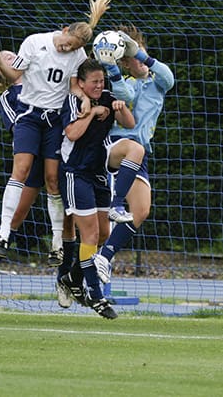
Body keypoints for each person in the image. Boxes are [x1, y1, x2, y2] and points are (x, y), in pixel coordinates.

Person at [0, 0, 110, 295]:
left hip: (54, 137)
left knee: (63, 201)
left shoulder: (73, 57)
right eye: (6, 58)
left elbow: (75, 85)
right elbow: (17, 113)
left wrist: (85, 98)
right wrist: (1, 62)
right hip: (32, 144)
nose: (67, 49)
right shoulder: (12, 94)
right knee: (18, 210)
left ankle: (62, 275)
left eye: (72, 47)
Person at [0, 51, 76, 306]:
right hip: (31, 164)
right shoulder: (9, 97)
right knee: (15, 217)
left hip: (54, 158)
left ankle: (63, 281)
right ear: (2, 71)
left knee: (68, 224)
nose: (16, 57)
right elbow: (20, 127)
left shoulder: (41, 80)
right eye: (8, 58)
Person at [90, 24, 175, 284]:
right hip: (117, 148)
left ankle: (104, 257)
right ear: (126, 65)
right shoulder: (123, 83)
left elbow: (169, 78)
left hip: (139, 155)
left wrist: (140, 54)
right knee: (101, 221)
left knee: (141, 212)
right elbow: (125, 95)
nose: (141, 63)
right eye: (133, 60)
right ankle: (115, 206)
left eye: (142, 56)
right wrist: (113, 68)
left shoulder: (157, 83)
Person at [56, 59, 134, 319]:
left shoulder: (108, 96)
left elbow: (130, 123)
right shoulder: (73, 102)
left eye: (102, 81)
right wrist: (91, 113)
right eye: (94, 82)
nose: (99, 85)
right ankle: (96, 296)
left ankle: (72, 277)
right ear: (81, 83)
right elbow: (72, 133)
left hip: (98, 173)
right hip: (74, 173)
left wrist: (119, 109)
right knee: (89, 234)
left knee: (103, 234)